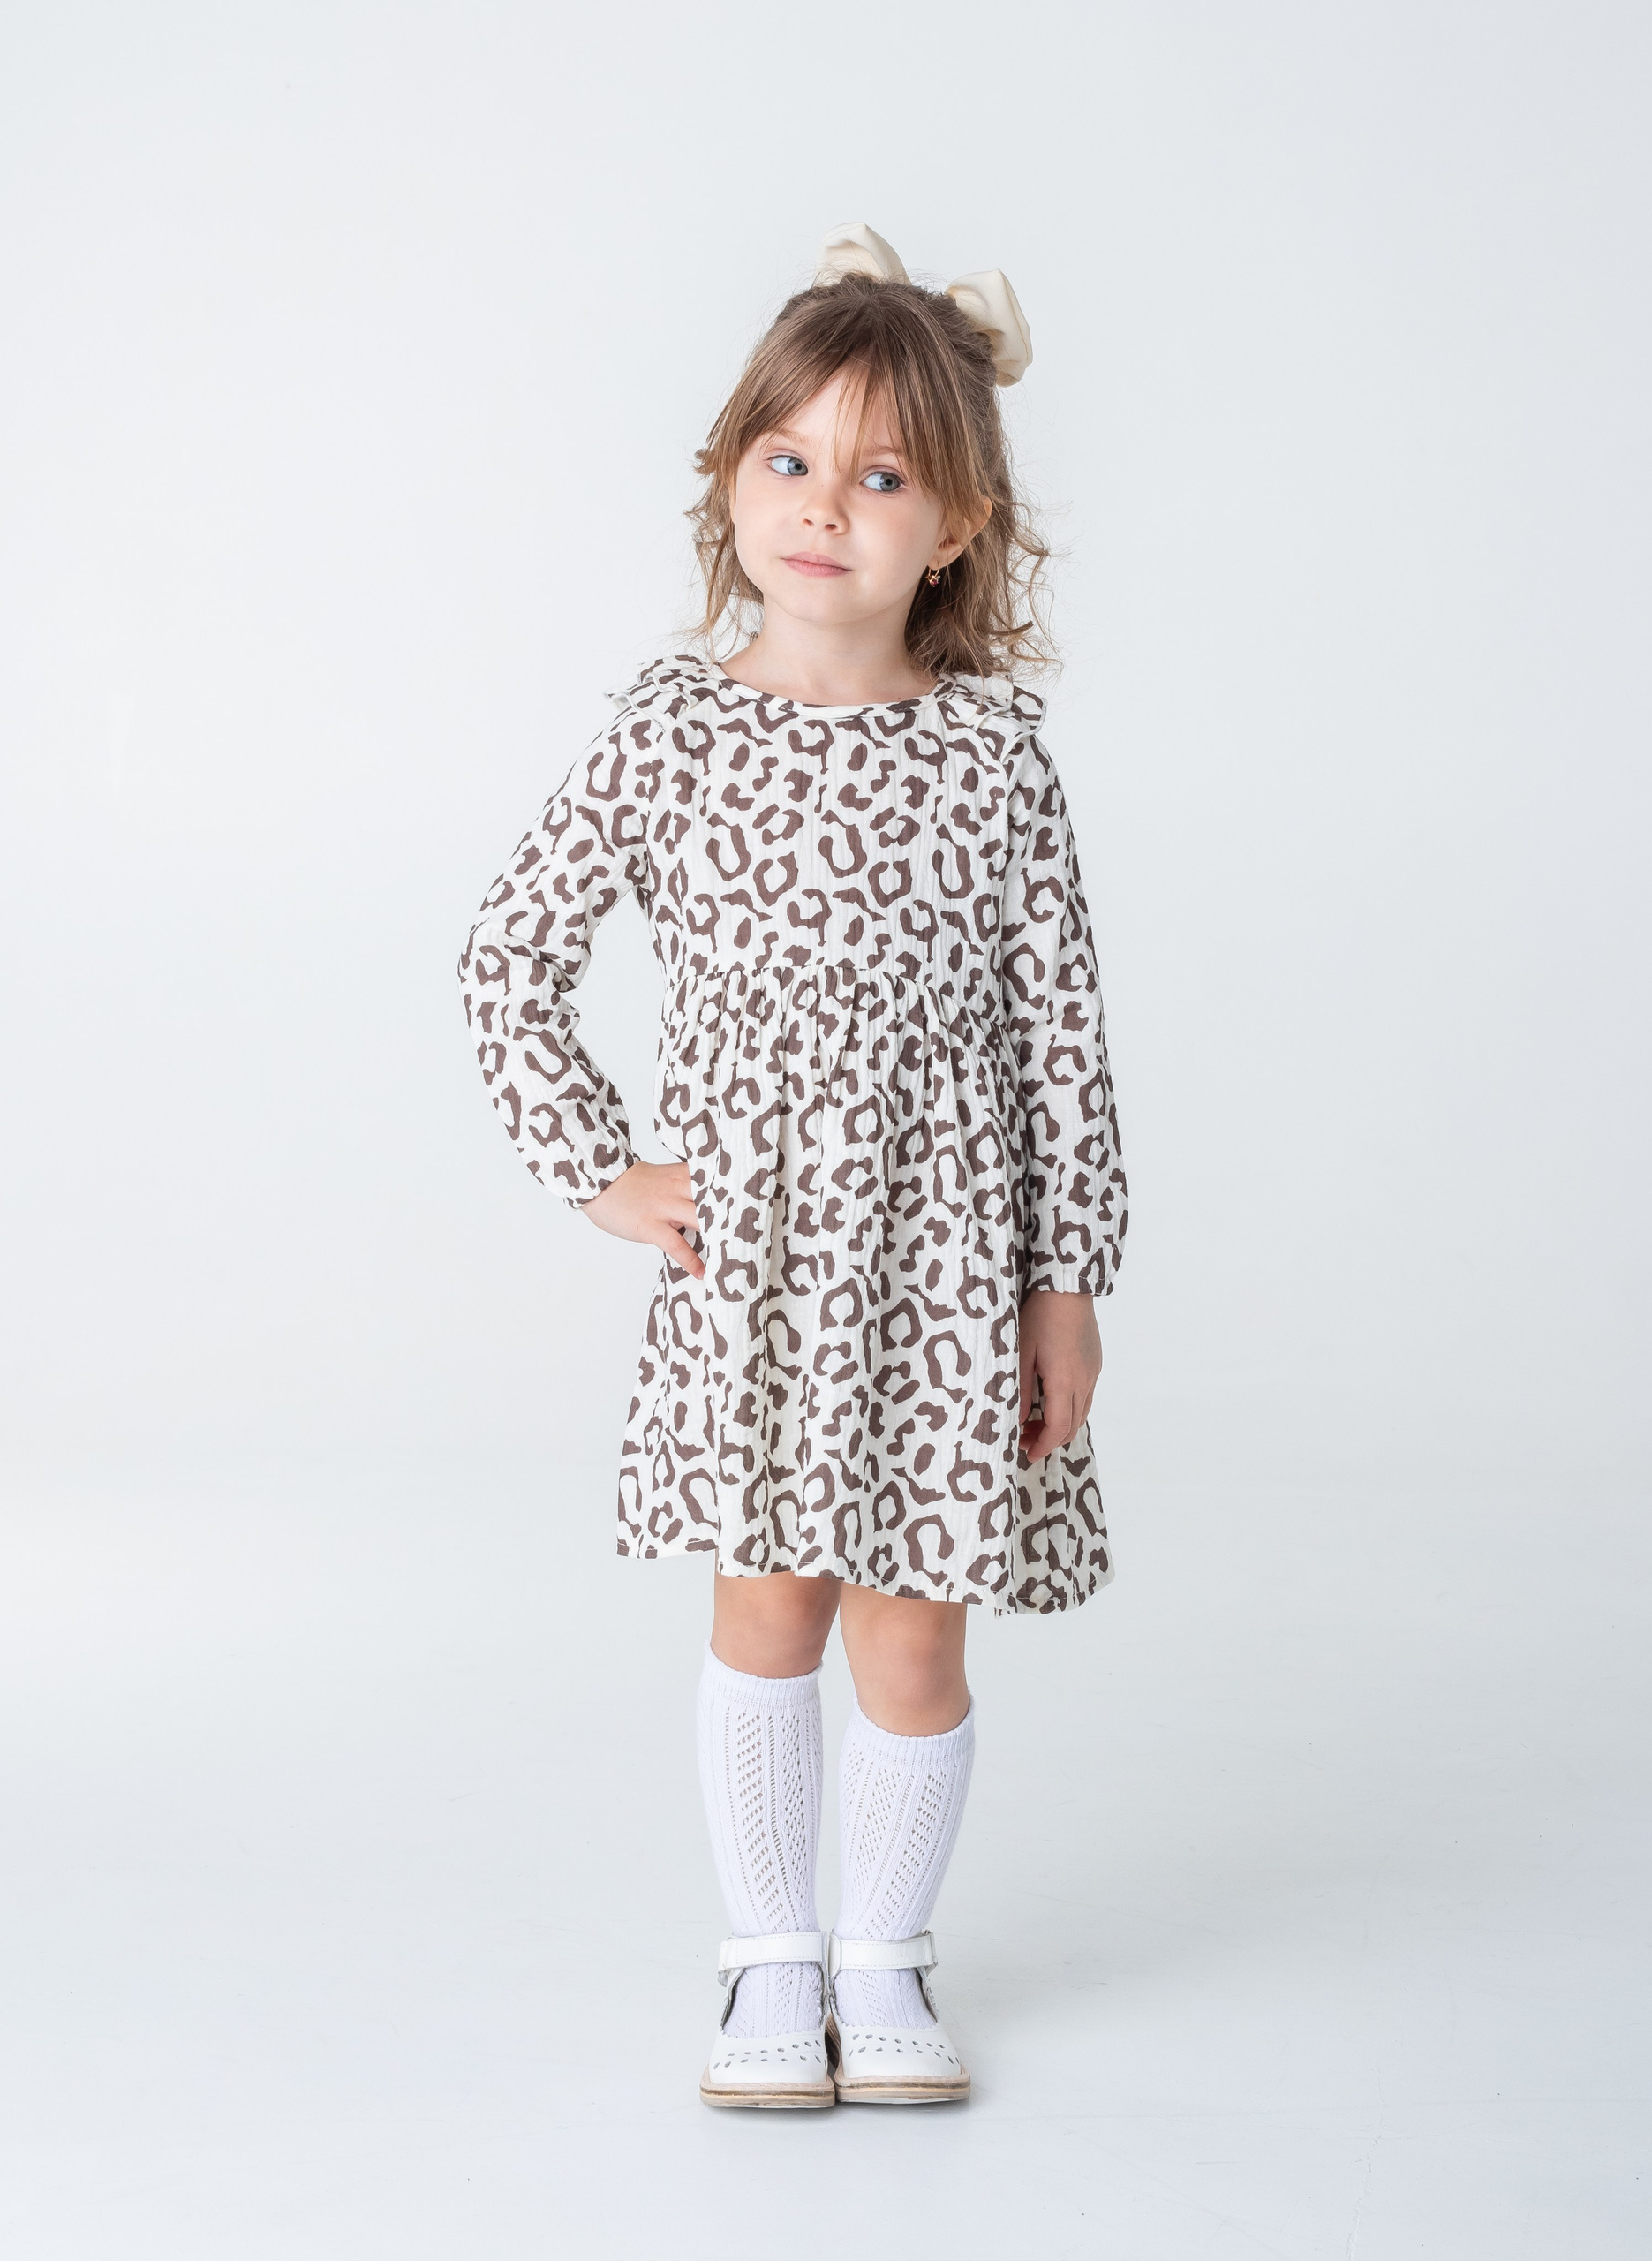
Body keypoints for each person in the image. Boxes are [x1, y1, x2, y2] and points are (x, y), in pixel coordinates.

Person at [459, 223, 1127, 2108]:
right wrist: (604, 1167)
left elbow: (1063, 1041)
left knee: (914, 1633)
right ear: (730, 478)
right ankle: (769, 1958)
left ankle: (886, 1954)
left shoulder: (992, 759)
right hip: (758, 1276)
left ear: (959, 527)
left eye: (883, 475)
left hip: (942, 1279)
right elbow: (509, 955)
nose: (828, 505)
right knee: (769, 1608)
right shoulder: (673, 732)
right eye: (792, 457)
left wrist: (1066, 1283)